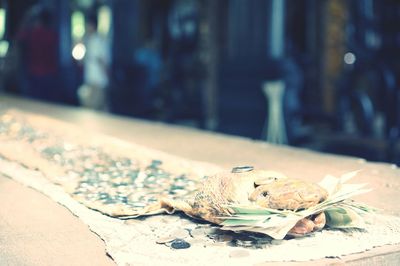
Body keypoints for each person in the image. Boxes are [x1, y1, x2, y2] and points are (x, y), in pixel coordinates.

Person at [17, 7, 59, 101]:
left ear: (37, 20)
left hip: (34, 74)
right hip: (50, 75)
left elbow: (19, 37)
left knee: (34, 105)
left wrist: (27, 16)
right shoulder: (53, 35)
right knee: (49, 105)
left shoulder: (31, 34)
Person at [78, 14, 110, 110]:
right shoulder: (88, 40)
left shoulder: (99, 41)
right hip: (90, 79)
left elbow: (102, 61)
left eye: (87, 25)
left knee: (94, 109)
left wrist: (107, 78)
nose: (86, 28)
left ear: (92, 26)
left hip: (98, 80)